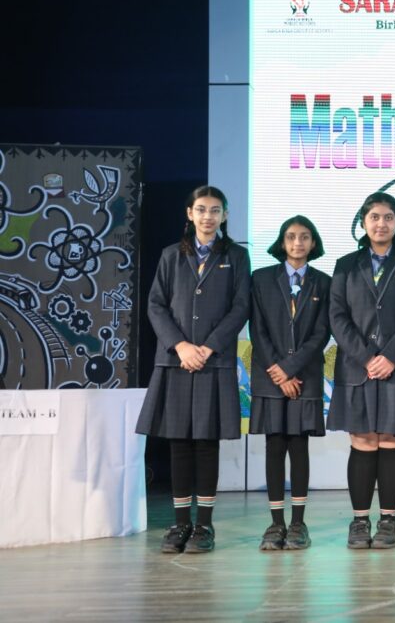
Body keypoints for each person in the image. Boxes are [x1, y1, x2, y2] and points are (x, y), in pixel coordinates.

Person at [137, 185, 251, 554]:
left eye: (215, 210)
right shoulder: (171, 255)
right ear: (190, 214)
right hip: (175, 361)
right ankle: (180, 523)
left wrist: (208, 346)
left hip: (214, 362)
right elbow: (156, 305)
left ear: (225, 215)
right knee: (179, 443)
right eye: (201, 209)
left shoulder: (237, 256)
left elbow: (240, 307)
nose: (208, 216)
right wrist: (181, 346)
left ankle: (204, 525)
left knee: (206, 443)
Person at [327, 192, 395, 549]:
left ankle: (388, 521)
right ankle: (360, 521)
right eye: (374, 217)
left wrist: (390, 356)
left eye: (388, 217)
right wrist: (366, 357)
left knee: (391, 440)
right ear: (363, 223)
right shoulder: (346, 265)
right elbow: (337, 317)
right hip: (357, 368)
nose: (381, 223)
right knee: (362, 441)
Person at [250, 216, 331, 550]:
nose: (298, 243)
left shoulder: (324, 282)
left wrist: (291, 368)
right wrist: (278, 371)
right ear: (282, 243)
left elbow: (321, 333)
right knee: (274, 446)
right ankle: (275, 523)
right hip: (270, 376)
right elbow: (257, 329)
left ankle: (298, 523)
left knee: (299, 446)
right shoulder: (261, 278)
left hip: (305, 376)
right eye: (291, 237)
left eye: (305, 237)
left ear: (313, 243)